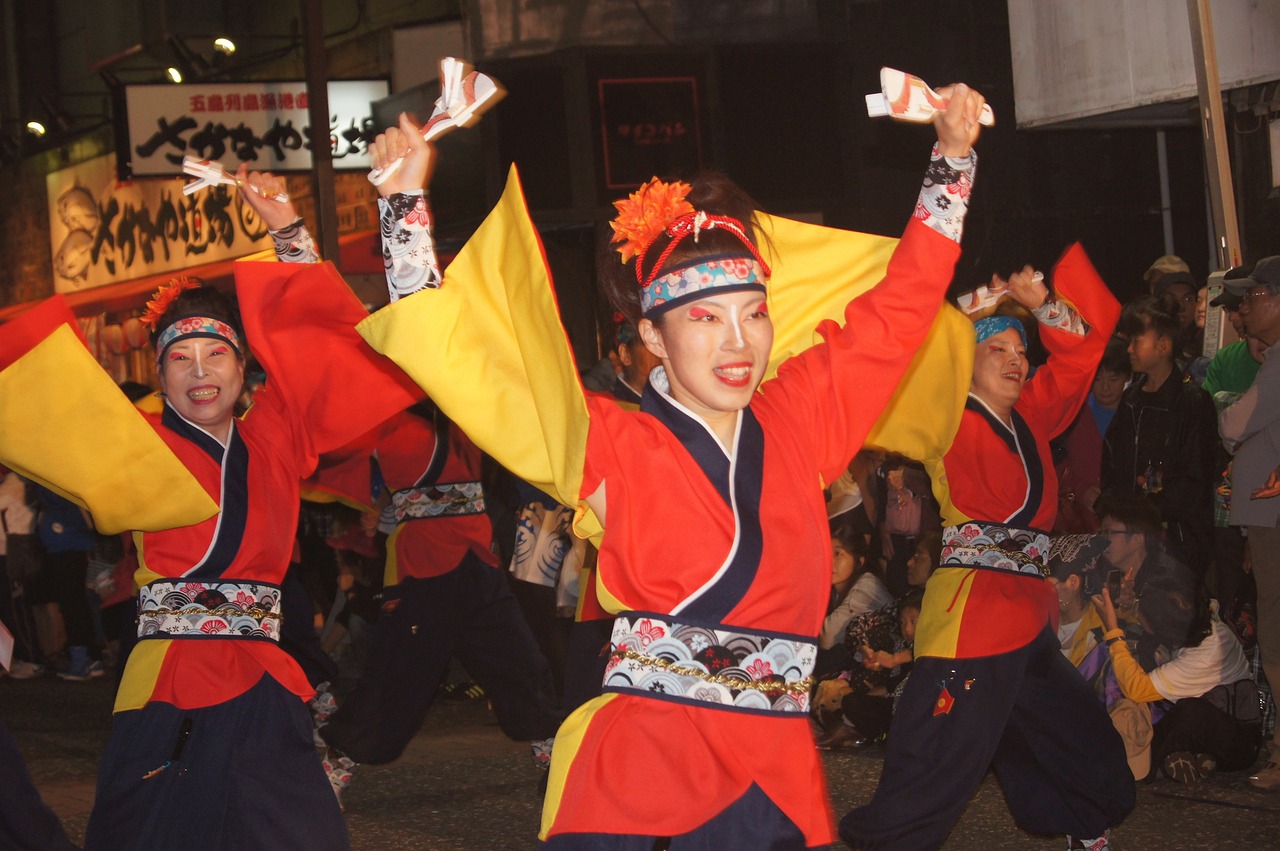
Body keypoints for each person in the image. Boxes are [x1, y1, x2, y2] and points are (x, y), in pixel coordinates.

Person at [358, 84, 987, 848]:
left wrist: (952, 157)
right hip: (647, 763)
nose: (738, 342)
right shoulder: (610, 440)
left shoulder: (800, 413)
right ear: (652, 336)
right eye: (704, 317)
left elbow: (901, 308)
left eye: (753, 312)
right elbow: (464, 365)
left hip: (775, 768)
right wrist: (402, 206)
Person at [0, 165, 421, 848]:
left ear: (243, 365)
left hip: (264, 679)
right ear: (160, 376)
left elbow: (322, 345)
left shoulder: (279, 431)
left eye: (215, 354)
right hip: (172, 680)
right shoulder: (137, 438)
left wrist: (287, 230)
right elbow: (34, 406)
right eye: (181, 359)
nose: (200, 372)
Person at [841, 249, 1134, 847]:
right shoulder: (946, 416)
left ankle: (1084, 821)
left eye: (1022, 350)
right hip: (971, 615)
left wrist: (1042, 307)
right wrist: (961, 318)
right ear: (963, 363)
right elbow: (899, 367)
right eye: (997, 348)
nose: (1016, 359)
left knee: (1070, 727)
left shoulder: (1031, 413)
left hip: (1025, 612)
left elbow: (1080, 358)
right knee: (939, 756)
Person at [1094, 577, 1261, 784]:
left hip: (1238, 745)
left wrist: (1114, 634)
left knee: (1189, 712)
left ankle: (1147, 765)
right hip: (1216, 727)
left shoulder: (1206, 654)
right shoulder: (1193, 621)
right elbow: (1160, 612)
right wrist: (1128, 607)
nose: (1140, 612)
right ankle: (1195, 759)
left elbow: (1136, 689)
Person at [1217, 255, 1280, 791]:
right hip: (1266, 515)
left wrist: (1224, 402)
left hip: (1274, 518)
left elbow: (1235, 424)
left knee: (1278, 639)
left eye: (1255, 296)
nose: (1245, 306)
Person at [1102, 296, 1217, 572]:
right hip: (1127, 538)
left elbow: (1193, 482)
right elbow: (1111, 461)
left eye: (1137, 341)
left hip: (1175, 542)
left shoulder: (1192, 402)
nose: (1129, 349)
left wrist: (1145, 515)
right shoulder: (1131, 398)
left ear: (1163, 345)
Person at [1056, 337, 1131, 533]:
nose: (1105, 387)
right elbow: (1055, 462)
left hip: (1124, 522)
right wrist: (1080, 490)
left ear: (1127, 378)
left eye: (1113, 380)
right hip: (1079, 519)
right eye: (1097, 379)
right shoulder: (1073, 413)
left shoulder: (1134, 413)